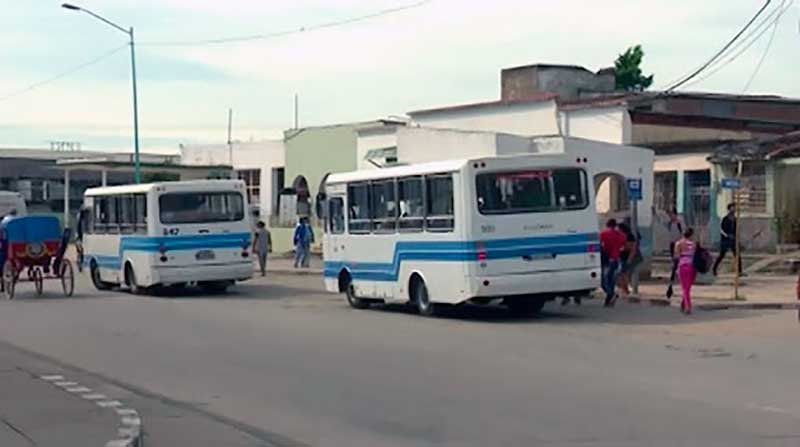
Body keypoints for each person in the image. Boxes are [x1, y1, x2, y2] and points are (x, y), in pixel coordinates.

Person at [599, 218, 627, 307]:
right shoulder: (622, 235)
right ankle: (609, 297)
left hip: (607, 259)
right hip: (617, 258)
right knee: (611, 278)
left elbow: (600, 245)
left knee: (604, 280)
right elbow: (623, 246)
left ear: (607, 224)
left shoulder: (603, 234)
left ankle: (610, 294)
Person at [713, 203, 742, 276]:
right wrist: (727, 235)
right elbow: (721, 229)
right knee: (722, 255)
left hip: (733, 239)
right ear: (729, 209)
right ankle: (714, 269)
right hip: (725, 240)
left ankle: (739, 271)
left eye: (735, 207)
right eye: (733, 207)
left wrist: (736, 236)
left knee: (737, 255)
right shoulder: (725, 218)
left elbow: (736, 229)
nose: (734, 209)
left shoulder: (735, 219)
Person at [674, 228, 697, 315]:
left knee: (684, 288)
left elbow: (676, 256)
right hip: (692, 267)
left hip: (683, 266)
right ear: (691, 235)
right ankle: (684, 304)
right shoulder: (694, 244)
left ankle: (688, 306)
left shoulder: (679, 243)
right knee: (688, 288)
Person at [617, 222, 642, 299]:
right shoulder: (620, 236)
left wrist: (629, 259)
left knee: (624, 274)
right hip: (622, 257)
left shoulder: (629, 236)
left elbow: (632, 248)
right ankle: (624, 289)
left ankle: (626, 290)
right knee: (622, 274)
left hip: (627, 257)